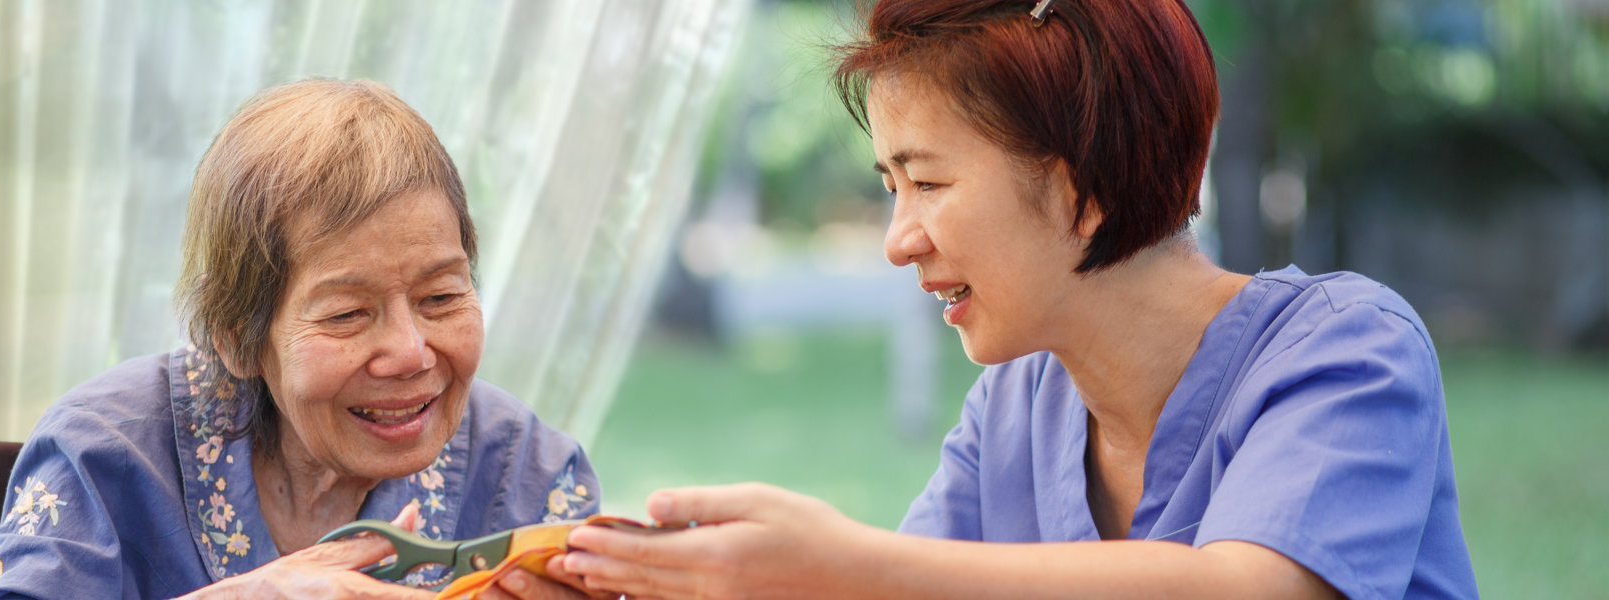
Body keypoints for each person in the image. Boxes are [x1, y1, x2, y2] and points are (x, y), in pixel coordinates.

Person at [559, 1, 1479, 598]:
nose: (896, 239)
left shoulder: (1349, 352)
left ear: (1084, 184)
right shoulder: (1015, 408)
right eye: (889, 186)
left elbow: (1249, 588)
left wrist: (838, 562)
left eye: (926, 183)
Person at [0, 79, 606, 600]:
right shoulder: (106, 455)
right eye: (348, 314)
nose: (412, 353)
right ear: (238, 336)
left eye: (441, 298)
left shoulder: (529, 477)